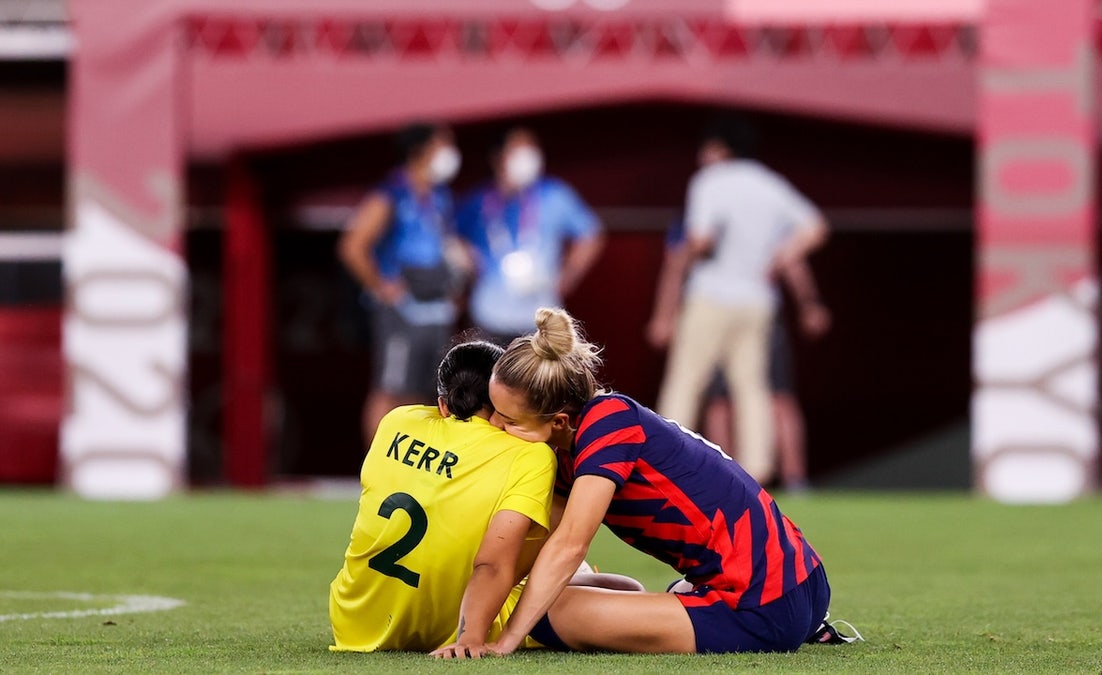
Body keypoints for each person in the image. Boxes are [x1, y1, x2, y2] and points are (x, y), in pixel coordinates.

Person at [438, 307, 848, 657]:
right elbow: (538, 542)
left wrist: (508, 638)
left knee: (543, 614)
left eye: (507, 421)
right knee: (547, 594)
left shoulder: (607, 424)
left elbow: (570, 545)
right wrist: (470, 630)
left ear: (558, 420)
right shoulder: (578, 441)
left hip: (764, 605)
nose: (493, 425)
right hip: (801, 581)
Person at [328, 340, 555, 653]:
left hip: (354, 621)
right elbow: (492, 564)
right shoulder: (529, 455)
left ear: (443, 403)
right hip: (455, 625)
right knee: (566, 551)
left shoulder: (396, 420)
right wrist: (469, 640)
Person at [655, 115, 828, 485]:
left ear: (719, 149)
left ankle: (665, 461)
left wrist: (686, 259)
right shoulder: (769, 184)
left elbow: (700, 239)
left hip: (711, 295)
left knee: (687, 379)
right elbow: (815, 228)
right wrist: (779, 258)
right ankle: (757, 466)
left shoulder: (709, 181)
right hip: (757, 300)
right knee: (752, 386)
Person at [647, 219, 831, 490]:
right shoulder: (698, 208)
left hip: (754, 310)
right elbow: (678, 263)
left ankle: (789, 478)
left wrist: (808, 302)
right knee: (718, 400)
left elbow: (792, 258)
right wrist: (665, 314)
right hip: (711, 307)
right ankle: (723, 473)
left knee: (772, 395)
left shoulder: (759, 210)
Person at [338, 122, 472, 443]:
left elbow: (440, 245)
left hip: (435, 307)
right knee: (391, 388)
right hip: (403, 309)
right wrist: (380, 285)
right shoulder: (392, 194)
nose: (451, 153)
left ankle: (413, 468)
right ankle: (376, 468)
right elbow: (352, 246)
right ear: (422, 150)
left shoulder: (440, 196)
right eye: (444, 145)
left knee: (431, 392)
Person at [455, 127, 605, 346]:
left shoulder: (554, 194)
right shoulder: (478, 200)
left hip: (540, 317)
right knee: (489, 377)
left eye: (531, 149)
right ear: (499, 157)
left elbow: (592, 234)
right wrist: (470, 264)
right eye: (518, 150)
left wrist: (568, 275)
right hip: (490, 314)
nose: (527, 157)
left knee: (538, 380)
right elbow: (452, 237)